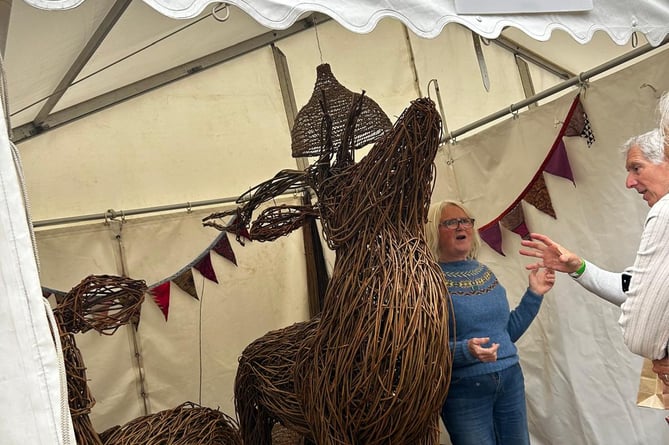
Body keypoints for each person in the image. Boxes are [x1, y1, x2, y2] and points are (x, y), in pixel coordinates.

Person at [519, 127, 669, 384]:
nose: (629, 183)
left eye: (636, 168)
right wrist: (579, 267)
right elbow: (634, 290)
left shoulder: (665, 212)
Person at [425, 200, 555, 445]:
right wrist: (466, 350)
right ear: (434, 231)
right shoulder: (428, 283)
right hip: (463, 390)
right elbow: (423, 350)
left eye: (465, 221)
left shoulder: (485, 273)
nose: (460, 226)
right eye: (450, 222)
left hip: (510, 379)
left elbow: (506, 334)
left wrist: (534, 294)